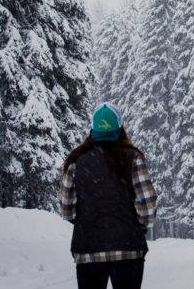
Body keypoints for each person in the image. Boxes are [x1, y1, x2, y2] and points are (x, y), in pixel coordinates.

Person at [60, 102, 157, 289]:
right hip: (128, 249)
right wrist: (139, 227)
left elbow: (66, 211)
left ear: (93, 129)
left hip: (88, 249)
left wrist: (87, 221)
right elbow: (147, 204)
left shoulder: (76, 161)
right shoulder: (133, 158)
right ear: (120, 128)